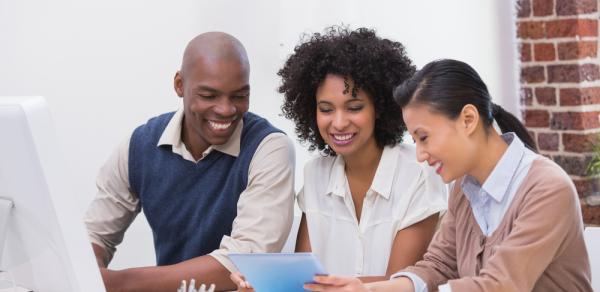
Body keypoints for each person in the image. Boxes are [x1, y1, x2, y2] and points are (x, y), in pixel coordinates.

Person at [304, 59, 593, 292]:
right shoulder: (464, 189)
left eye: (424, 137)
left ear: (468, 120)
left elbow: (501, 285)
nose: (420, 154)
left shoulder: (546, 188)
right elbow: (437, 266)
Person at [232, 26, 448, 290]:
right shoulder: (315, 175)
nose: (339, 122)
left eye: (354, 108)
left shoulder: (418, 172)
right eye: (326, 109)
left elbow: (403, 282)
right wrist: (268, 283)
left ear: (379, 107)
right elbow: (305, 276)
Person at [84, 32, 296, 292]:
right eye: (209, 96)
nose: (226, 109)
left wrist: (121, 283)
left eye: (239, 96)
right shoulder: (140, 145)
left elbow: (246, 260)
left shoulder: (269, 148)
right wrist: (85, 272)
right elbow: (94, 236)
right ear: (179, 84)